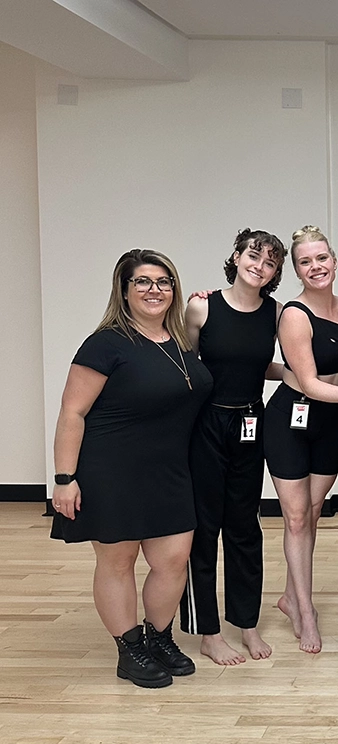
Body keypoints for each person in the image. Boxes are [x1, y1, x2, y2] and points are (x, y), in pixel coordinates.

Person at [51, 249, 212, 688]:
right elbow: (71, 413)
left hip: (171, 469)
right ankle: (129, 648)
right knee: (118, 561)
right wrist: (64, 479)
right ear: (124, 291)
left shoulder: (180, 341)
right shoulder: (105, 343)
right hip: (111, 469)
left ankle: (158, 637)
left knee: (173, 560)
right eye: (142, 281)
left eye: (163, 281)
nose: (154, 290)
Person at [181, 229, 285, 665]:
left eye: (269, 262)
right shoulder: (202, 306)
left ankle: (246, 623)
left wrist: (310, 380)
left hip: (249, 422)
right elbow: (184, 366)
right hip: (206, 424)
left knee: (244, 528)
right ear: (236, 257)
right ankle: (208, 630)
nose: (258, 266)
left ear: (275, 272)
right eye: (252, 256)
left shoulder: (275, 313)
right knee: (205, 528)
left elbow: (267, 365)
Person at [263, 225, 338, 654]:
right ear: (296, 270)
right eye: (305, 261)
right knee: (296, 518)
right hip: (291, 421)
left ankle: (288, 596)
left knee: (314, 513)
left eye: (322, 258)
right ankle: (306, 611)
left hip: (329, 424)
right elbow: (308, 383)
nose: (316, 267)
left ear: (334, 262)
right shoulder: (295, 314)